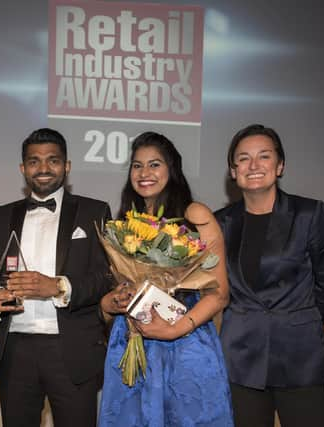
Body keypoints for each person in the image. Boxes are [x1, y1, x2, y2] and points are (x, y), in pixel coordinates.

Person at [98, 131, 233, 426]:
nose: (144, 173)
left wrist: (175, 330)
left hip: (184, 342)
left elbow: (220, 293)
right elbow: (118, 286)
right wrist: (117, 299)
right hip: (132, 339)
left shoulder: (195, 214)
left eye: (155, 164)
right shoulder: (125, 222)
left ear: (172, 169)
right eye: (137, 165)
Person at [215, 124, 324, 427]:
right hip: (240, 358)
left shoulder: (310, 214)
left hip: (299, 356)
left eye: (264, 156)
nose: (254, 166)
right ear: (233, 171)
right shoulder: (220, 223)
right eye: (243, 159)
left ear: (280, 165)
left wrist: (299, 321)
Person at [0, 128, 113, 427]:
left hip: (71, 350)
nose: (43, 168)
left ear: (67, 167)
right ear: (22, 168)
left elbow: (107, 276)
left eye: (53, 160)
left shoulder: (94, 211)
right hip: (15, 350)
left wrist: (59, 287)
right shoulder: (2, 216)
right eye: (34, 161)